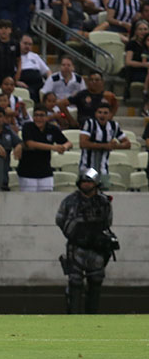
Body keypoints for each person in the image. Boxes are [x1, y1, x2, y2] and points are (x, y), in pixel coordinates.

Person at [56, 168, 118, 314]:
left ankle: (92, 315)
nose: (86, 184)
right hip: (76, 247)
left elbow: (107, 222)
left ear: (95, 183)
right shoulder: (70, 201)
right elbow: (60, 219)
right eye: (83, 181)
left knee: (96, 280)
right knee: (75, 281)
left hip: (96, 248)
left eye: (89, 182)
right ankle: (74, 314)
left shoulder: (104, 201)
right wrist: (75, 233)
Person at [17, 104, 72, 192]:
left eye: (41, 115)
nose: (38, 118)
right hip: (27, 172)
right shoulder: (28, 127)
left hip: (45, 172)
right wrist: (53, 147)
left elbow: (68, 143)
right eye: (36, 115)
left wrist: (63, 147)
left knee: (46, 200)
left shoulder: (52, 128)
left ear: (46, 117)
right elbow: (30, 144)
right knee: (29, 201)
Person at [78, 101, 130, 186]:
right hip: (88, 167)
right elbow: (83, 144)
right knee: (89, 190)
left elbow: (127, 144)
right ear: (95, 114)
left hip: (104, 168)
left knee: (104, 191)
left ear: (110, 115)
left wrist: (116, 146)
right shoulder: (90, 124)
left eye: (105, 113)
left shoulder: (114, 126)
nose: (102, 115)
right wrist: (106, 146)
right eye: (100, 112)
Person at [17, 34, 51, 101]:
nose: (27, 46)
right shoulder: (14, 56)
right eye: (25, 43)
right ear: (19, 43)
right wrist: (17, 82)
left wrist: (49, 82)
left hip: (39, 84)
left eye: (30, 44)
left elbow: (48, 71)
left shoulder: (35, 56)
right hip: (24, 84)